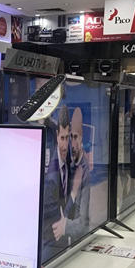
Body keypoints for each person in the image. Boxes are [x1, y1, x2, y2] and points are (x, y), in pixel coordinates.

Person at [52, 107, 90, 244]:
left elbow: (84, 223)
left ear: (81, 135)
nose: (71, 144)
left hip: (79, 242)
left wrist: (65, 227)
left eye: (75, 137)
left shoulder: (85, 171)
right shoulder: (66, 163)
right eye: (69, 137)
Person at [42, 105, 71, 247]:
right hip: (51, 238)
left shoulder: (69, 161)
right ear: (56, 136)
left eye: (67, 138)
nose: (64, 145)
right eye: (62, 138)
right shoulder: (51, 177)